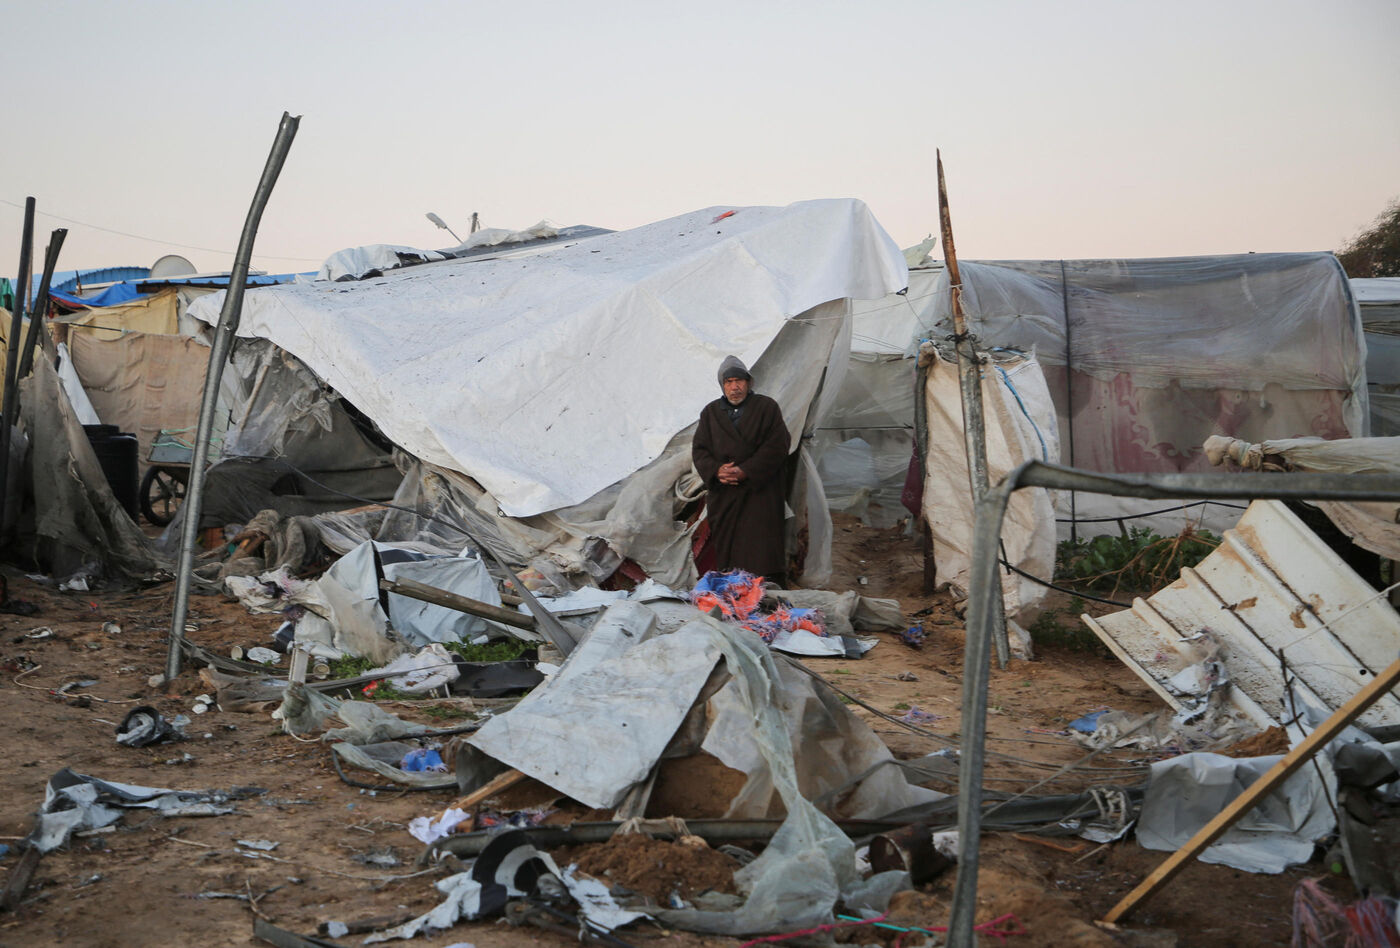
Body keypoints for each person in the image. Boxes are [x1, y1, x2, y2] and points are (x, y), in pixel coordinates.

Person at [692, 355, 792, 585]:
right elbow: (699, 450)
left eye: (739, 381)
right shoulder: (710, 413)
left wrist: (746, 470)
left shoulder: (767, 408)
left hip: (760, 492)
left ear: (749, 383)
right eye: (728, 382)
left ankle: (766, 591)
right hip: (725, 494)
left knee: (762, 547)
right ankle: (734, 590)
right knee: (730, 547)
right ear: (722, 385)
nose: (734, 387)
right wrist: (717, 470)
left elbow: (778, 445)